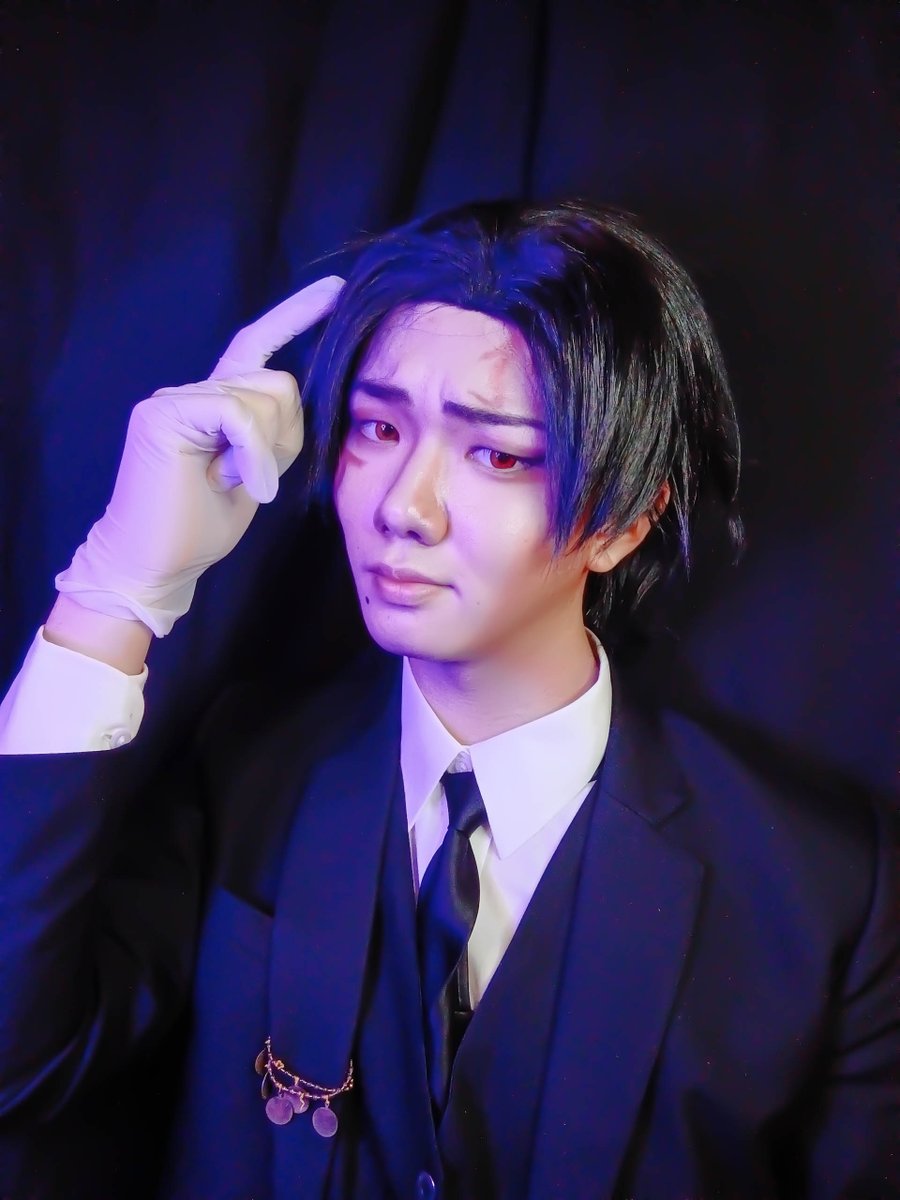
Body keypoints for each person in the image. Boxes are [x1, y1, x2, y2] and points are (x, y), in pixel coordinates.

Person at [0, 200, 896, 1200]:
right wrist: (116, 586)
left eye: (499, 454)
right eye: (378, 428)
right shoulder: (248, 767)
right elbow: (16, 1060)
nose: (403, 507)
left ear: (623, 523)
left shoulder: (824, 886)